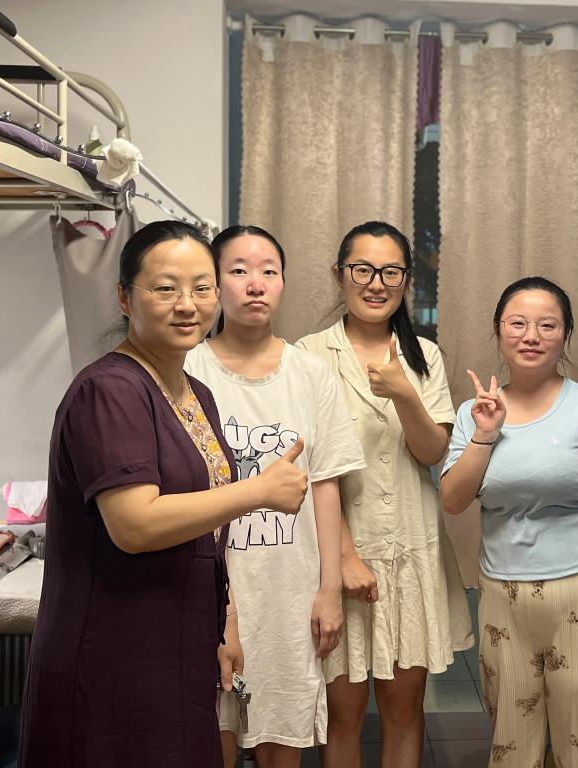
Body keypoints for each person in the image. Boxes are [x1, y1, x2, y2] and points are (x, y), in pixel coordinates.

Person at [19, 221, 308, 768]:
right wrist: (257, 491)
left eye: (201, 288)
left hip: (178, 638)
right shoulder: (109, 389)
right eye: (165, 288)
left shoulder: (195, 393)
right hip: (114, 646)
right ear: (125, 298)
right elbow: (136, 525)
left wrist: (226, 622)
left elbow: (205, 529)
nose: (187, 305)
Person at [184, 225, 365, 768]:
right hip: (207, 593)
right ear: (214, 284)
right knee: (209, 739)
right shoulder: (187, 369)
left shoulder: (312, 374)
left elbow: (326, 484)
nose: (255, 284)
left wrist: (329, 591)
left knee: (281, 744)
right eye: (238, 270)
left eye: (269, 271)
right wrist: (223, 610)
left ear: (284, 282)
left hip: (290, 593)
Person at [296, 221, 473, 768]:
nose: (376, 283)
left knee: (404, 708)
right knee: (343, 713)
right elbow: (307, 469)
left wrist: (404, 395)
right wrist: (343, 557)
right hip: (336, 556)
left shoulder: (425, 356)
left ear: (407, 281)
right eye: (363, 269)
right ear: (339, 275)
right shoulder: (308, 355)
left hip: (410, 552)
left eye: (391, 271)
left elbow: (431, 451)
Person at [440, 276, 578, 768]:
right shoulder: (474, 412)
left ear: (566, 335)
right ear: (498, 331)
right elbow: (454, 500)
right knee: (511, 744)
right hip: (502, 596)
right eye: (518, 324)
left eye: (547, 325)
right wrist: (485, 434)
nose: (531, 336)